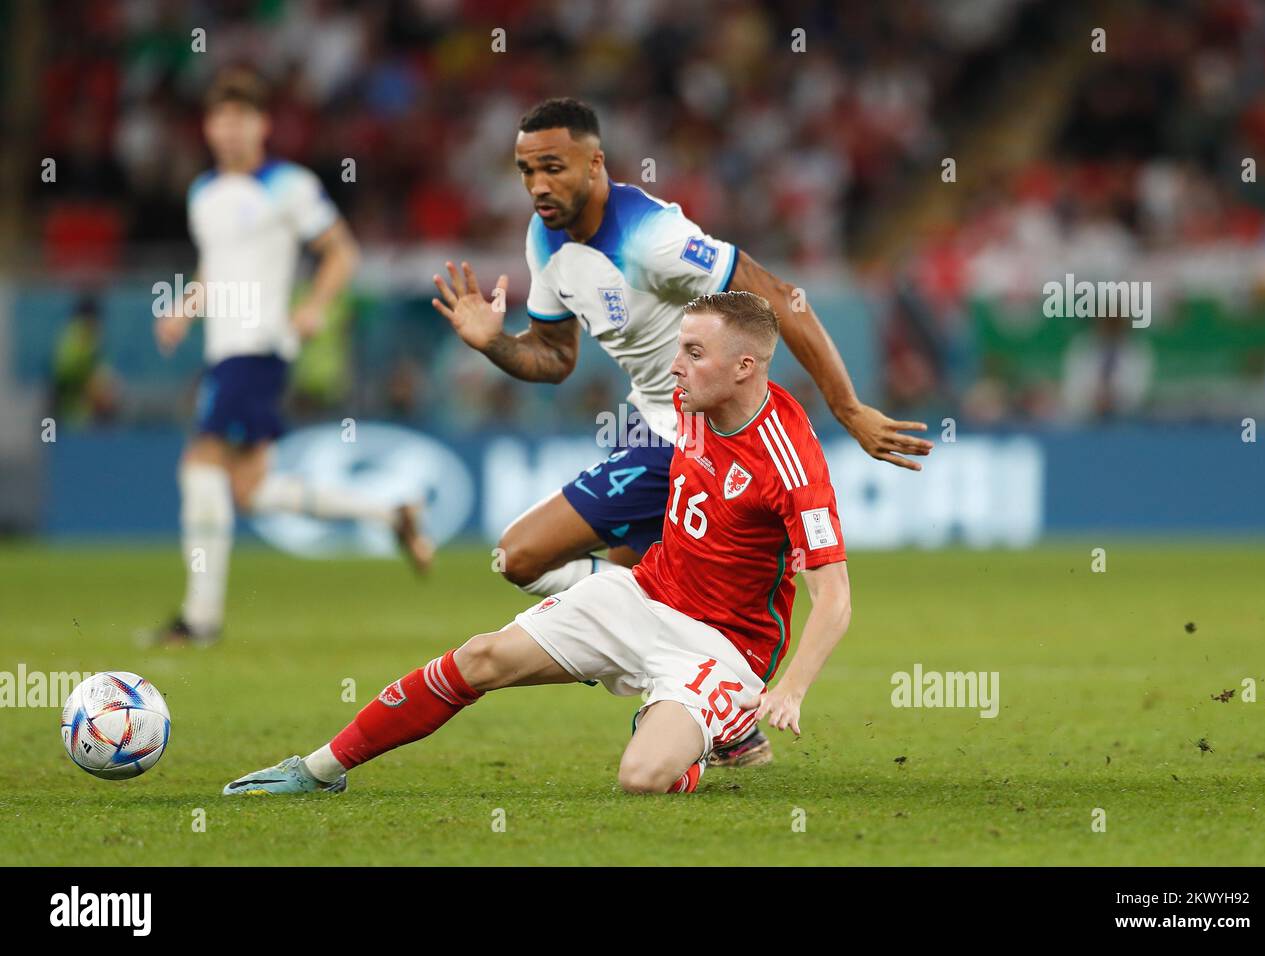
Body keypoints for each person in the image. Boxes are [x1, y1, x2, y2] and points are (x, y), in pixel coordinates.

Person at [431, 97, 925, 767]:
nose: (538, 185)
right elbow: (553, 358)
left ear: (594, 163)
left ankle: (704, 705)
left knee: (527, 558)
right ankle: (718, 710)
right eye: (525, 171)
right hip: (648, 429)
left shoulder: (653, 237)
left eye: (553, 167)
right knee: (602, 591)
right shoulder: (543, 240)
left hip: (688, 439)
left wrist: (847, 407)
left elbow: (777, 296)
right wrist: (494, 344)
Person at [222, 291, 851, 796]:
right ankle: (317, 770)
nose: (674, 366)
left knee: (641, 778)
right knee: (481, 657)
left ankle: (702, 737)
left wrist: (789, 689)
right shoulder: (686, 403)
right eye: (678, 349)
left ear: (745, 366)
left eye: (692, 352)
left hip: (724, 648)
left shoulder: (791, 460)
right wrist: (495, 340)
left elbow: (834, 599)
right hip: (642, 595)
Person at [151, 68, 432, 646]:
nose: (230, 131)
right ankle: (389, 513)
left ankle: (199, 619)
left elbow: (341, 253)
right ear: (208, 127)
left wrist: (315, 306)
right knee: (251, 490)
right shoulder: (203, 193)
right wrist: (186, 306)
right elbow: (215, 264)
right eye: (220, 120)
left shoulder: (289, 185)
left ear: (263, 125)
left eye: (241, 119)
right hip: (224, 348)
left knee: (200, 465)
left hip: (258, 347)